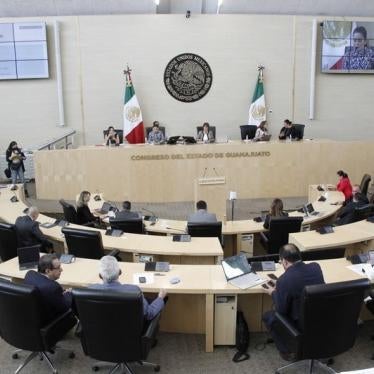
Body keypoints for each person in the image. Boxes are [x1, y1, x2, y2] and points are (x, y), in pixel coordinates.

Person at [262, 243, 325, 360]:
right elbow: (301, 282)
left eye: (281, 263)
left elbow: (281, 310)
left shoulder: (285, 279)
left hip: (300, 324)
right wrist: (280, 285)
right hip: (322, 319)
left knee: (268, 316)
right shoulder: (316, 267)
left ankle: (288, 351)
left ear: (285, 262)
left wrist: (273, 292)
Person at [91, 256, 166, 320]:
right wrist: (160, 298)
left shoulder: (90, 290)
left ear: (100, 276)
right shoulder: (134, 291)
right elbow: (149, 313)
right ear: (120, 272)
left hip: (99, 331)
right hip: (130, 331)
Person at [24, 254, 72, 324]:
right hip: (48, 321)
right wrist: (69, 293)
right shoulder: (53, 287)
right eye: (58, 268)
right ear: (48, 271)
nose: (61, 270)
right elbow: (65, 307)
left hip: (32, 315)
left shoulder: (29, 274)